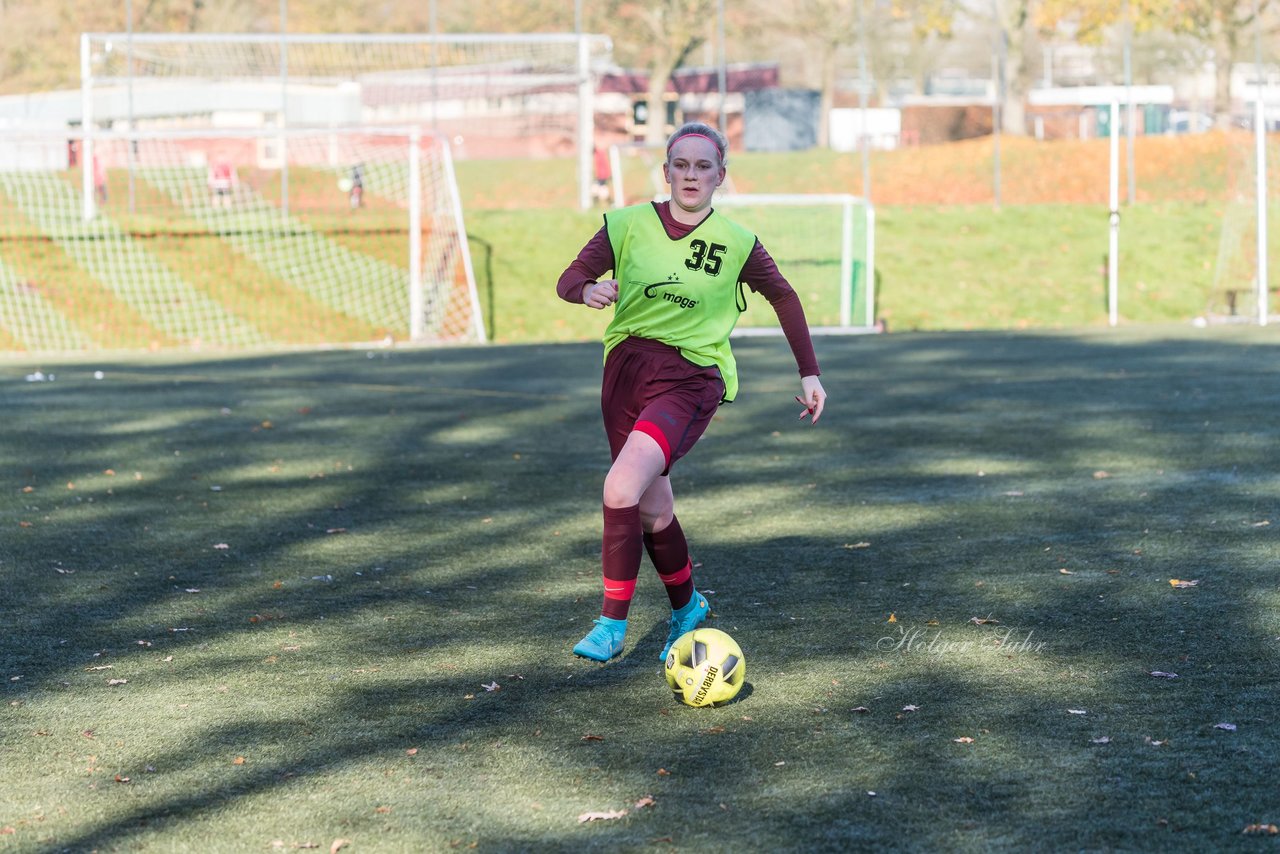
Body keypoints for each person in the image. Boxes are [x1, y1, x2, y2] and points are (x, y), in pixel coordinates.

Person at [557, 121, 827, 663]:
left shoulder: (738, 243)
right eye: (681, 164)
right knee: (653, 506)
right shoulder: (626, 224)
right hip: (625, 371)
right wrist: (590, 289)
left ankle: (611, 625)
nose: (691, 175)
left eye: (704, 166)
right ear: (666, 171)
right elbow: (569, 280)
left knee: (619, 488)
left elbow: (785, 298)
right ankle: (687, 608)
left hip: (691, 378)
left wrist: (810, 373)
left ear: (720, 176)